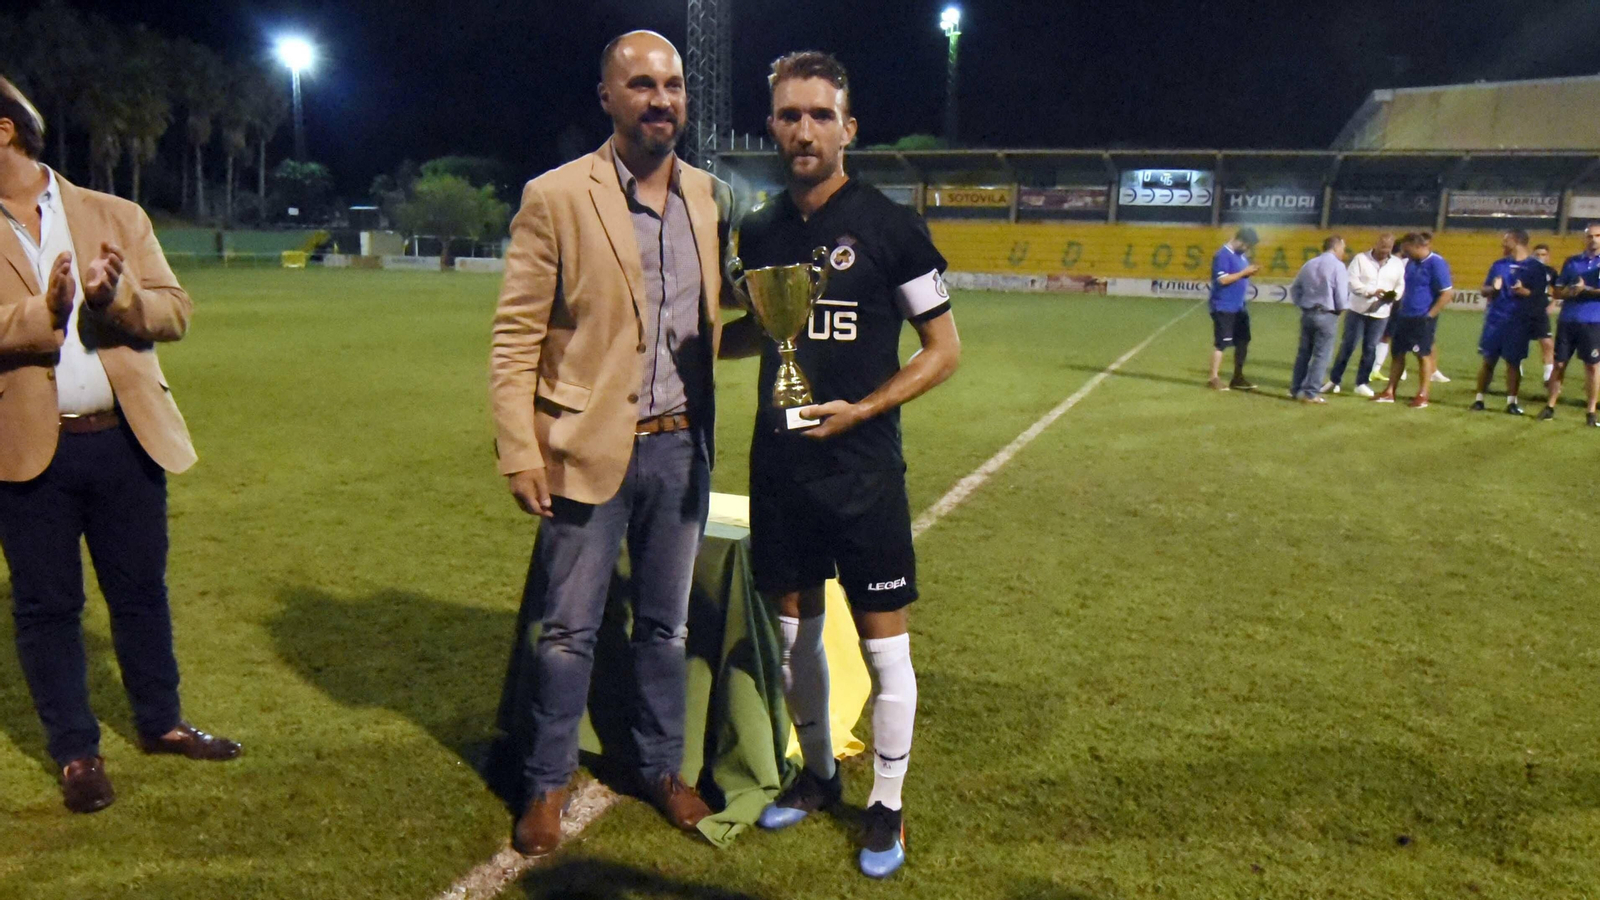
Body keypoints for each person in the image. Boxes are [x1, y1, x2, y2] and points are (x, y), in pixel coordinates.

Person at [488, 31, 737, 855]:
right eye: (640, 84)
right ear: (608, 97)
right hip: (587, 447)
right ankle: (546, 784)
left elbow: (710, 322)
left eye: (671, 84)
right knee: (567, 635)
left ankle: (663, 769)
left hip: (680, 447)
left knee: (664, 630)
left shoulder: (709, 195)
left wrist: (780, 329)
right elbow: (516, 336)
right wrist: (521, 449)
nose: (660, 98)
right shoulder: (556, 196)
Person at [719, 51, 960, 879]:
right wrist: (677, 348)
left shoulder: (891, 227)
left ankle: (886, 807)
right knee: (796, 642)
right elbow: (760, 329)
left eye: (821, 115)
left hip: (861, 471)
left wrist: (866, 407)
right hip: (778, 468)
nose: (804, 130)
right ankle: (820, 776)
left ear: (848, 128)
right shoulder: (756, 231)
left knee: (887, 652)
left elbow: (944, 349)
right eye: (790, 115)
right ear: (772, 127)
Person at [0, 78, 240, 816]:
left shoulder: (113, 213)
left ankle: (161, 722)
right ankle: (76, 752)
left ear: (4, 130)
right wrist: (43, 315)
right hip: (24, 448)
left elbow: (174, 312)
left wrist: (113, 300)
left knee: (140, 593)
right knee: (47, 608)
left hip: (124, 440)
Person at [1376, 232, 1453, 408]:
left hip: (1422, 317)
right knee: (1397, 354)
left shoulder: (1436, 263)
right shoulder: (1409, 263)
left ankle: (1422, 395)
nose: (1404, 253)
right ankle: (1389, 391)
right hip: (1404, 316)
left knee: (1422, 355)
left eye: (1407, 249)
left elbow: (1447, 293)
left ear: (1417, 246)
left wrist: (1430, 315)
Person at [1471, 230, 1542, 415]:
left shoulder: (1534, 267)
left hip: (1518, 322)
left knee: (1513, 363)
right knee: (1488, 360)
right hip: (1495, 320)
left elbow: (1540, 297)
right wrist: (1491, 289)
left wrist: (1524, 292)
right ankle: (1479, 399)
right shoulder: (1499, 264)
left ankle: (1511, 402)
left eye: (1506, 241)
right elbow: (1483, 289)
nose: (1502, 244)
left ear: (1516, 241)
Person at [1537, 222, 1600, 426]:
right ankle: (1550, 406)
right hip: (1568, 320)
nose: (1593, 239)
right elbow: (1557, 291)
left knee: (1592, 366)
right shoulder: (1572, 262)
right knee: (1559, 364)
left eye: (1598, 236)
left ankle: (1590, 411)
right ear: (1585, 238)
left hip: (1593, 321)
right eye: (1590, 236)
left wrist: (1585, 289)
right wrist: (1571, 291)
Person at [1326, 232, 1403, 397]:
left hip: (1381, 312)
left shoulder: (1397, 264)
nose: (1385, 250)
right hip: (1358, 310)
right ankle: (1334, 380)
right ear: (1375, 243)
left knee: (1370, 347)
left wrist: (1393, 296)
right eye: (1382, 246)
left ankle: (1362, 382)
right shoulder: (1360, 259)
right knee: (1348, 345)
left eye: (1388, 247)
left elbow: (1400, 284)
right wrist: (1372, 292)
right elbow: (1352, 281)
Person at [1289, 235, 1349, 403]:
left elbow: (1295, 289)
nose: (1343, 252)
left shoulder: (1309, 264)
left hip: (1308, 313)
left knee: (1303, 354)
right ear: (1336, 247)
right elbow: (1342, 295)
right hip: (1326, 314)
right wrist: (1340, 310)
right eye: (1343, 248)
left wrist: (1303, 304)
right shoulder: (1338, 266)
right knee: (1322, 355)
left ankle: (1296, 389)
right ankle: (1311, 393)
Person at [1206, 227, 1261, 391]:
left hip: (1239, 307)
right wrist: (1244, 272)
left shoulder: (1241, 256)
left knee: (1243, 341)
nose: (1248, 249)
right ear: (1240, 241)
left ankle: (1238, 377)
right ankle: (1213, 378)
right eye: (1247, 245)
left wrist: (1247, 273)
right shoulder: (1222, 255)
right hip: (1223, 306)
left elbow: (1238, 276)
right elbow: (1222, 280)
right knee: (1221, 343)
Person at [1531, 243, 1559, 382]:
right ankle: (1516, 372)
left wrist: (1552, 304)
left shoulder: (1551, 272)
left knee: (1547, 343)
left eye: (1543, 255)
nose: (1540, 257)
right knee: (1516, 343)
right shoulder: (1525, 269)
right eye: (1537, 255)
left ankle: (1548, 376)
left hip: (1541, 311)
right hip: (1523, 311)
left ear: (1548, 257)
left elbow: (1559, 290)